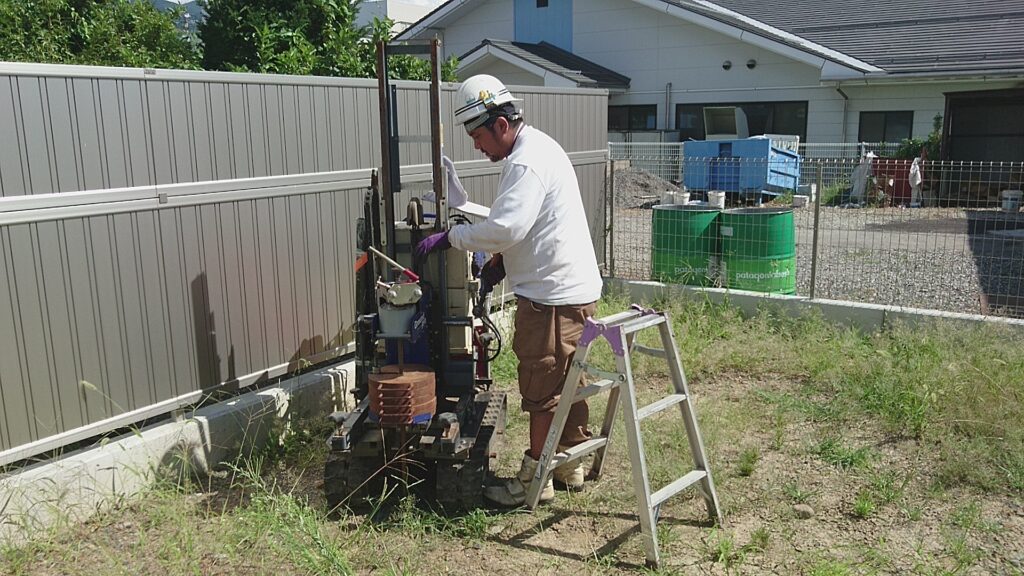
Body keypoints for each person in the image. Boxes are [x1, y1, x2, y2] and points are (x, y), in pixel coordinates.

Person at [415, 74, 603, 506]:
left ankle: (531, 481)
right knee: (568, 381)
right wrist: (499, 266)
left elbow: (508, 227)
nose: (478, 147)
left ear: (501, 125)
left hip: (551, 298)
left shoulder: (524, 162)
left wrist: (451, 239)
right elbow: (533, 226)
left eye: (478, 136)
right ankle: (568, 464)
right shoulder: (540, 147)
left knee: (542, 387)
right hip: (572, 290)